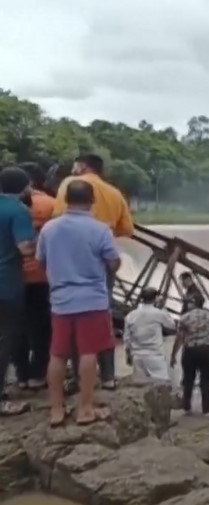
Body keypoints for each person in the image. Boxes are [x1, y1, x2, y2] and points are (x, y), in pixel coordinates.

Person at [37, 180, 121, 427]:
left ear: (66, 200)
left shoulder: (49, 229)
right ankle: (85, 408)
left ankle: (56, 410)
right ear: (92, 201)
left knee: (57, 354)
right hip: (92, 300)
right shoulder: (100, 229)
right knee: (88, 352)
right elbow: (113, 262)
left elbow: (41, 260)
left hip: (61, 301)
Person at [52, 154, 133, 390]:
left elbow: (57, 217)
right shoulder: (114, 193)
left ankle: (78, 378)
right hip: (102, 261)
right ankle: (108, 376)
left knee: (72, 319)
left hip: (69, 261)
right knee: (103, 315)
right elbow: (127, 229)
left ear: (82, 166)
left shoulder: (69, 183)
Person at [0, 167, 36, 417]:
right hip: (6, 285)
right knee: (4, 342)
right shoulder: (18, 210)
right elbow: (25, 248)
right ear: (24, 187)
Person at [17, 162, 55, 391]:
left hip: (12, 276)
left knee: (15, 327)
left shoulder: (8, 205)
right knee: (43, 326)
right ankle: (38, 373)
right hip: (42, 276)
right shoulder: (51, 205)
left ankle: (21, 375)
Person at [171, 294, 209, 414]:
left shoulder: (184, 318)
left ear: (192, 303)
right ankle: (206, 410)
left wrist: (173, 355)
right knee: (206, 382)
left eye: (189, 302)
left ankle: (187, 407)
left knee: (188, 380)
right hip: (206, 351)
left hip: (190, 351)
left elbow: (179, 338)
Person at [123, 287, 175, 381]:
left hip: (137, 356)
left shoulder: (130, 315)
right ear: (155, 298)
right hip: (155, 355)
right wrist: (163, 308)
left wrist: (128, 355)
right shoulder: (158, 313)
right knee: (161, 384)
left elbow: (127, 338)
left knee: (140, 385)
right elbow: (172, 325)